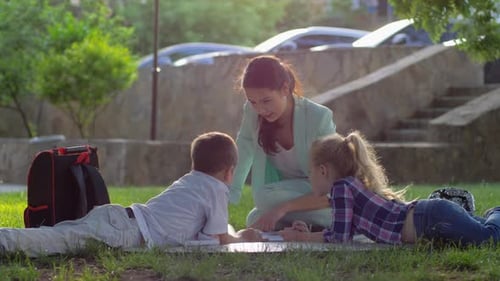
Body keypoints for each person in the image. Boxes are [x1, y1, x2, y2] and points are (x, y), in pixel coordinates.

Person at [0, 132, 263, 257]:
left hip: (117, 218)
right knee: (52, 242)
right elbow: (219, 239)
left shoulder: (190, 181)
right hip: (123, 231)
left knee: (56, 236)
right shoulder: (216, 189)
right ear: (230, 172)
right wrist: (244, 235)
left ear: (194, 164)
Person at [280, 131, 500, 246]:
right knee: (487, 233)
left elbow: (340, 237)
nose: (309, 178)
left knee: (489, 238)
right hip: (430, 219)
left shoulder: (341, 188)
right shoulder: (348, 187)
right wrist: (312, 233)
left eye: (310, 172)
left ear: (323, 170)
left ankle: (496, 212)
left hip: (430, 218)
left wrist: (301, 239)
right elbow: (346, 231)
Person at [230, 55, 336, 231]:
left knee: (264, 198)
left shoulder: (319, 117)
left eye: (266, 101)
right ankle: (309, 225)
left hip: (322, 195)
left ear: (285, 89)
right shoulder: (252, 113)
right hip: (284, 191)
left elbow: (334, 188)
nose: (260, 109)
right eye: (253, 102)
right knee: (254, 218)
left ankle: (333, 220)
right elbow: (244, 149)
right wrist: (227, 193)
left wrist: (282, 209)